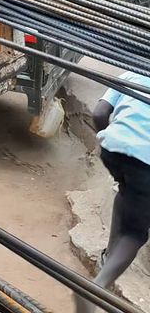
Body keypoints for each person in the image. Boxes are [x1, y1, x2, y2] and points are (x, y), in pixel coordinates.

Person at [75, 70, 150, 313]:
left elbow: (99, 113)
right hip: (145, 161)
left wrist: (106, 140)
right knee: (135, 234)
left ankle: (108, 257)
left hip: (112, 147)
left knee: (126, 192)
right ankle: (96, 288)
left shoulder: (133, 72)